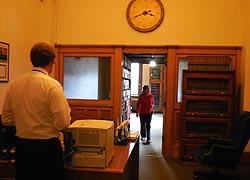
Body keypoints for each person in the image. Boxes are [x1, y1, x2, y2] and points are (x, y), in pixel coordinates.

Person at [1, 42, 71, 180]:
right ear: (52, 61)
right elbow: (62, 123)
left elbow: (6, 119)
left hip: (23, 148)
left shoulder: (15, 83)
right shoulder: (52, 86)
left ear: (32, 59)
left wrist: (25, 121)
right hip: (48, 149)